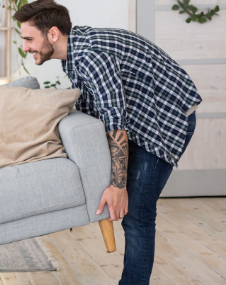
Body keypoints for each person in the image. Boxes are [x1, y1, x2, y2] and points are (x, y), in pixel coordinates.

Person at [13, 1, 201, 284]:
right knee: (134, 211)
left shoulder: (91, 55)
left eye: (29, 39)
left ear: (53, 34)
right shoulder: (72, 54)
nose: (26, 47)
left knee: (137, 214)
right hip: (141, 117)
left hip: (165, 120)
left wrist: (117, 185)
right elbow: (96, 109)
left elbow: (115, 122)